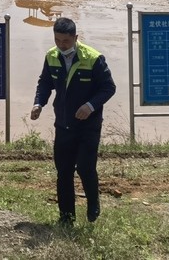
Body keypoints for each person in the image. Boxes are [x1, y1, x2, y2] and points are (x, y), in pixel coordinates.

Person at [30, 17, 116, 226]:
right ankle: (66, 217)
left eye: (66, 41)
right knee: (64, 172)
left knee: (85, 167)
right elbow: (45, 83)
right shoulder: (52, 56)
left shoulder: (93, 58)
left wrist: (90, 106)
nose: (61, 45)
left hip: (88, 126)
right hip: (64, 124)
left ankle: (93, 202)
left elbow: (108, 88)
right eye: (57, 40)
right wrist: (38, 103)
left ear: (76, 38)